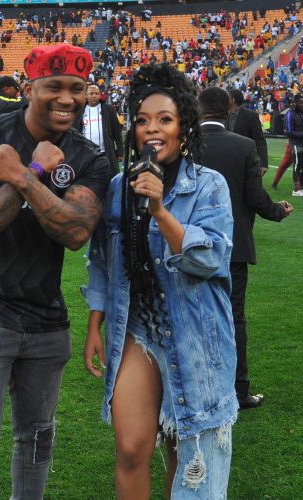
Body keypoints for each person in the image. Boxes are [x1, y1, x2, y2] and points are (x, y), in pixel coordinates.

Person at [0, 44, 109, 498]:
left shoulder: (89, 156)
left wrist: (23, 175)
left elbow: (76, 232)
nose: (67, 98)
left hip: (45, 320)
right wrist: (36, 169)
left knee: (38, 441)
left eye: (77, 88)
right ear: (29, 87)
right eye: (54, 86)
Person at [82, 63, 237, 498]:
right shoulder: (119, 187)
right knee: (131, 448)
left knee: (183, 446)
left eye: (164, 119)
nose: (152, 128)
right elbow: (102, 262)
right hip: (137, 328)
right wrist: (94, 324)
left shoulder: (209, 186)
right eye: (142, 120)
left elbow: (211, 258)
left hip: (194, 331)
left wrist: (160, 211)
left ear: (182, 128)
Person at [197, 86, 293, 410]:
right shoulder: (243, 145)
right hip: (232, 245)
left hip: (189, 244)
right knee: (233, 317)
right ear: (228, 111)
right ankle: (238, 390)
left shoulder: (183, 144)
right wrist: (278, 211)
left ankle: (195, 388)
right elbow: (255, 196)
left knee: (192, 316)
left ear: (199, 110)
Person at [73, 84, 123, 178]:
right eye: (91, 93)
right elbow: (75, 131)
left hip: (105, 152)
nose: (94, 96)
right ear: (86, 95)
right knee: (89, 179)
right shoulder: (80, 110)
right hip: (86, 153)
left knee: (110, 178)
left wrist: (120, 151)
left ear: (100, 95)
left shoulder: (108, 109)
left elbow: (117, 131)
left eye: (96, 93)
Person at [227, 88, 269, 175]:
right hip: (228, 160)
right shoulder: (223, 115)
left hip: (245, 161)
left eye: (227, 98)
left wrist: (263, 163)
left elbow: (260, 140)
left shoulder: (251, 116)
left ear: (233, 100)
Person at [285, 94, 303, 196]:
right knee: (297, 166)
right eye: (301, 103)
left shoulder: (301, 113)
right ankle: (296, 190)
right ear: (295, 103)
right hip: (296, 144)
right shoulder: (290, 114)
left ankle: (301, 187)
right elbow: (289, 132)